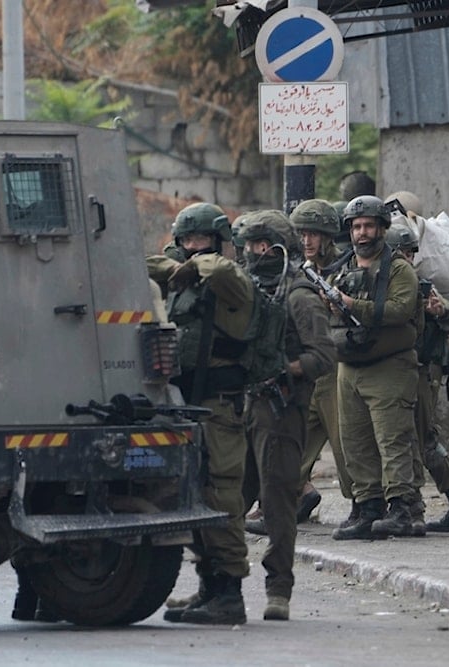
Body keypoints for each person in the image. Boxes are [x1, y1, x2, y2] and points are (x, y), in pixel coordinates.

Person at [147, 201, 254, 624]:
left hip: (220, 406)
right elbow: (143, 264)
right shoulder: (183, 278)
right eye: (186, 241)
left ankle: (230, 592)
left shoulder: (230, 279)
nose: (194, 248)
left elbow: (226, 273)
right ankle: (209, 585)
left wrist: (198, 262)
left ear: (219, 241)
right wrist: (174, 265)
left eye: (203, 241)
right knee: (189, 495)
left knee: (222, 494)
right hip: (187, 403)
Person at [240, 210, 335, 621]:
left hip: (280, 409)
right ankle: (219, 582)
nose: (253, 253)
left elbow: (323, 356)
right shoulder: (247, 289)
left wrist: (285, 369)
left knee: (277, 501)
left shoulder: (298, 295)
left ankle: (278, 588)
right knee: (224, 499)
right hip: (241, 407)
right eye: (249, 245)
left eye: (261, 245)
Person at [329, 195, 423, 540]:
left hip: (389, 365)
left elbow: (400, 309)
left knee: (392, 439)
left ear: (382, 228)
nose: (362, 233)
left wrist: (355, 305)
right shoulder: (343, 267)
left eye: (369, 225)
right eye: (356, 226)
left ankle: (401, 508)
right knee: (354, 440)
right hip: (350, 365)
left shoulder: (398, 268)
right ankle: (366, 506)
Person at [384, 220, 449, 534]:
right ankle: (419, 506)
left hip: (423, 373)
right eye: (398, 253)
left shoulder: (423, 286)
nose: (404, 259)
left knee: (421, 440)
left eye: (409, 253)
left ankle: (435, 505)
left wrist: (440, 311)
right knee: (404, 440)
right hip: (393, 372)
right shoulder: (380, 283)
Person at [289, 199, 355, 522]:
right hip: (309, 366)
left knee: (345, 442)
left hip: (337, 366)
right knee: (296, 440)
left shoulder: (346, 269)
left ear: (328, 236)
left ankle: (362, 503)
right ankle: (291, 497)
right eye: (301, 234)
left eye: (314, 234)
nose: (307, 241)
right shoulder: (300, 271)